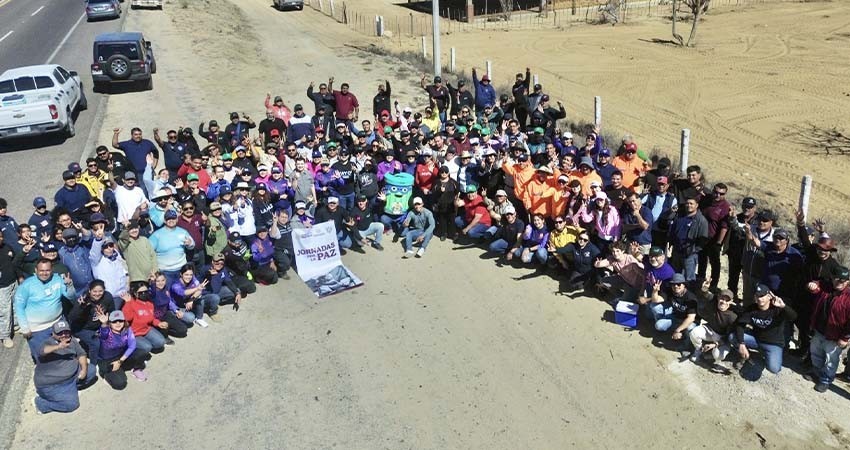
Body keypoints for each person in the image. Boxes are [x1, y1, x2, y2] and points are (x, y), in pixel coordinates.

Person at [15, 259, 75, 360]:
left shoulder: (58, 279)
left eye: (47, 270)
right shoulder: (26, 285)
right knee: (42, 355)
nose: (44, 273)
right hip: (37, 329)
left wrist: (69, 285)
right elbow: (19, 307)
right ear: (36, 270)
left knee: (61, 352)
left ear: (52, 270)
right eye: (41, 270)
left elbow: (71, 296)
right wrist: (25, 328)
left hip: (57, 323)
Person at [31, 319, 95, 414]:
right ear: (53, 334)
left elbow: (81, 354)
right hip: (53, 385)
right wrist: (59, 346)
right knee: (72, 405)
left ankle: (69, 391)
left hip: (72, 377)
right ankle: (40, 403)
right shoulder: (48, 343)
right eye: (60, 333)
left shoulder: (72, 340)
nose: (64, 335)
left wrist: (84, 370)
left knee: (92, 370)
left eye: (66, 332)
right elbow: (42, 351)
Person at [804, 267, 850, 392]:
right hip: (819, 330)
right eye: (836, 279)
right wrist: (813, 284)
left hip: (835, 336)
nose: (839, 282)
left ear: (847, 282)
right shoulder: (827, 287)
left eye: (843, 280)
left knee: (831, 359)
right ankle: (816, 372)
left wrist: (845, 338)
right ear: (832, 278)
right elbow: (816, 286)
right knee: (816, 352)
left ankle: (825, 380)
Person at [735, 284, 797, 375]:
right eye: (757, 296)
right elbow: (740, 325)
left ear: (769, 296)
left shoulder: (777, 309)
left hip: (773, 344)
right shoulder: (752, 309)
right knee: (733, 337)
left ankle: (765, 355)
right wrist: (741, 344)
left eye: (762, 296)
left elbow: (793, 317)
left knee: (774, 368)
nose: (760, 299)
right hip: (756, 339)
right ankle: (747, 356)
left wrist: (783, 306)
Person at [690, 282, 738, 371]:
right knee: (694, 332)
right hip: (710, 329)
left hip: (722, 338)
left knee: (717, 355)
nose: (723, 301)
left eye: (727, 300)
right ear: (718, 297)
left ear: (731, 302)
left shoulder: (732, 316)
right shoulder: (713, 302)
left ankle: (713, 355)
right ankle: (699, 350)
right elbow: (706, 294)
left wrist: (715, 344)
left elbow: (729, 337)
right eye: (722, 298)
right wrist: (704, 289)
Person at [67, 279, 116, 364]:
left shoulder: (107, 297)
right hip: (82, 328)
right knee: (95, 343)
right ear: (90, 290)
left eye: (100, 291)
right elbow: (71, 317)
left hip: (99, 325)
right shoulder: (84, 299)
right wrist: (80, 307)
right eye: (95, 291)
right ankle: (94, 364)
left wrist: (109, 322)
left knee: (113, 336)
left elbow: (112, 311)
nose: (97, 294)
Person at [97, 310, 148, 388]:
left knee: (142, 353)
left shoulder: (127, 330)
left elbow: (132, 346)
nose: (118, 323)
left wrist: (120, 361)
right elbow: (103, 333)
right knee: (120, 383)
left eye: (120, 321)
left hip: (121, 356)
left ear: (124, 321)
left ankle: (136, 369)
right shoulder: (106, 332)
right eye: (114, 321)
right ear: (109, 323)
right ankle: (106, 375)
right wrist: (104, 323)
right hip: (107, 360)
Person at [647, 273, 698, 350]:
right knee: (658, 322)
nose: (676, 286)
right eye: (673, 284)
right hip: (675, 317)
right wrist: (655, 291)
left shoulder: (690, 298)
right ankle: (675, 333)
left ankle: (686, 345)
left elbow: (691, 318)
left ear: (684, 285)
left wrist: (678, 330)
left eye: (679, 284)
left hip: (689, 322)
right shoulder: (671, 291)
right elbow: (656, 300)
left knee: (690, 328)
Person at [698, 183, 730, 291]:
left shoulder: (725, 207)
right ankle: (700, 280)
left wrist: (719, 242)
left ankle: (713, 285)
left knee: (714, 262)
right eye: (716, 192)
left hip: (714, 239)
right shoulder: (707, 200)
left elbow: (724, 227)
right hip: (702, 236)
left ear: (725, 194)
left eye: (721, 194)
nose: (718, 195)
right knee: (701, 259)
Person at [122, 281, 169, 354]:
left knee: (161, 342)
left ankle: (142, 345)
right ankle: (132, 348)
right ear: (135, 293)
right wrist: (127, 303)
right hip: (134, 334)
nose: (144, 294)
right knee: (147, 347)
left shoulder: (149, 304)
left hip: (146, 329)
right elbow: (127, 318)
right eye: (141, 293)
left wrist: (159, 323)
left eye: (146, 292)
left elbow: (152, 319)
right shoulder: (130, 303)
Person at [668, 197, 708, 282]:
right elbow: (673, 230)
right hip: (677, 251)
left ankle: (689, 293)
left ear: (696, 205)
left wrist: (694, 250)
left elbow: (703, 239)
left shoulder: (701, 220)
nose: (688, 205)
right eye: (687, 203)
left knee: (689, 278)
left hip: (690, 254)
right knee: (675, 275)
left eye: (691, 203)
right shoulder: (679, 216)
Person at [149, 210, 195, 283]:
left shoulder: (183, 232)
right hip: (165, 271)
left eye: (173, 218)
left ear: (177, 219)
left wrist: (190, 244)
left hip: (181, 269)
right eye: (168, 219)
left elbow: (192, 245)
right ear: (164, 220)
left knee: (182, 292)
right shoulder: (156, 235)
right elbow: (149, 252)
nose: (171, 220)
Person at [726, 197, 758, 299]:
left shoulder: (758, 221)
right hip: (735, 252)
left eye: (750, 207)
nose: (747, 209)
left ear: (754, 208)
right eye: (745, 206)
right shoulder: (737, 217)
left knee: (748, 279)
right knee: (732, 277)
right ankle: (731, 297)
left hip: (749, 255)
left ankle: (747, 300)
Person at [0, 228, 26, 349]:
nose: (0, 239)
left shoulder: (7, 247)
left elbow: (15, 262)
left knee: (15, 305)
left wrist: (19, 276)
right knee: (5, 312)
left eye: (0, 236)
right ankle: (5, 336)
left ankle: (16, 326)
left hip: (13, 281)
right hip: (2, 287)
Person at [150, 271, 192, 338]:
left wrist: (176, 311)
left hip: (165, 314)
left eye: (163, 280)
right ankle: (160, 331)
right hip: (156, 318)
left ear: (165, 280)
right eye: (158, 281)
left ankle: (168, 329)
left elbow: (169, 301)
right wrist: (152, 282)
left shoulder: (165, 289)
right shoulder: (153, 292)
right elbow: (152, 291)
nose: (161, 283)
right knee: (163, 336)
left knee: (183, 330)